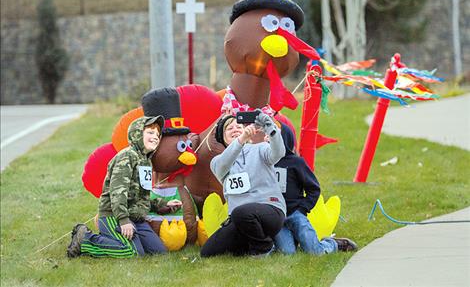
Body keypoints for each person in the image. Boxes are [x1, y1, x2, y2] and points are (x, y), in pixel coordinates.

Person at [67, 116, 181, 258]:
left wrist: (163, 204)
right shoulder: (127, 156)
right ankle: (85, 240)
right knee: (132, 252)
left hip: (136, 218)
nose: (156, 137)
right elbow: (117, 191)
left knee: (159, 252)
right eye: (150, 132)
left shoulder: (146, 162)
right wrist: (123, 220)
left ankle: (114, 239)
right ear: (137, 133)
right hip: (114, 215)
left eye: (158, 134)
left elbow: (141, 196)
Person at [201, 112, 286, 257]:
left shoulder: (261, 148)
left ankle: (264, 247)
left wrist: (270, 127)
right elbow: (223, 166)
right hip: (239, 219)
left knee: (241, 212)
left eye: (238, 126)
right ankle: (251, 244)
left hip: (270, 211)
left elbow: (279, 153)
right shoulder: (217, 161)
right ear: (223, 138)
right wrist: (241, 140)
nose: (234, 129)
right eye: (229, 128)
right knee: (208, 252)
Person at [273, 123, 357, 255]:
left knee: (315, 252)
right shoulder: (265, 161)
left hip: (295, 213)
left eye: (275, 135)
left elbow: (314, 188)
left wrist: (302, 208)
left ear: (285, 138)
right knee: (287, 253)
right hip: (277, 217)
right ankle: (294, 241)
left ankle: (332, 243)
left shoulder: (296, 163)